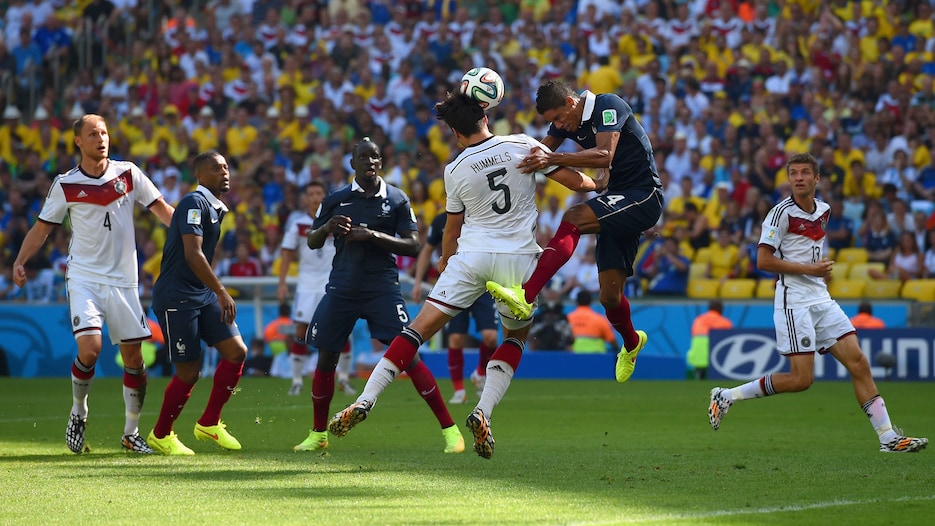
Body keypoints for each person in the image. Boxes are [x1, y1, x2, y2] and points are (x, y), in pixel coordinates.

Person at [327, 93, 603, 459]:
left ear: (456, 132)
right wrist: (600, 180)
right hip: (517, 260)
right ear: (485, 115)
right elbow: (578, 184)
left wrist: (445, 260)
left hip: (471, 257)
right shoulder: (522, 144)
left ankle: (366, 399)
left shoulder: (455, 168)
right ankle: (482, 410)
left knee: (416, 331)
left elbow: (452, 228)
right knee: (515, 337)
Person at [708, 153, 927, 453]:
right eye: (793, 173)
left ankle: (887, 437)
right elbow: (763, 260)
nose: (799, 177)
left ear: (817, 178)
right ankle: (727, 395)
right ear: (788, 179)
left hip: (821, 297)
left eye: (805, 172)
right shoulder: (779, 214)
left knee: (859, 363)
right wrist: (811, 270)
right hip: (793, 301)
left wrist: (815, 273)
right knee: (802, 379)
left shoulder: (824, 210)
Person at [12, 113, 175, 454]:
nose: (101, 138)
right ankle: (78, 411)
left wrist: (191, 230)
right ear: (78, 141)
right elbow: (42, 229)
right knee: (90, 349)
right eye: (92, 133)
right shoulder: (66, 184)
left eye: (104, 132)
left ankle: (131, 433)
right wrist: (20, 260)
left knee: (134, 359)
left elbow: (161, 209)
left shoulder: (128, 173)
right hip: (84, 276)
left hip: (124, 281)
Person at [485, 79, 664, 384]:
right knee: (610, 296)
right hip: (616, 199)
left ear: (570, 103)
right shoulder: (566, 123)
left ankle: (527, 294)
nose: (558, 126)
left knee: (575, 216)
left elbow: (604, 155)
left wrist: (552, 159)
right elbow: (537, 153)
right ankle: (632, 343)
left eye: (557, 118)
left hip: (644, 195)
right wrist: (493, 166)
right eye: (552, 122)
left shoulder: (609, 105)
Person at [293, 138, 464, 454]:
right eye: (364, 157)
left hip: (382, 289)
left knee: (409, 357)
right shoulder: (336, 199)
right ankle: (318, 433)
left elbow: (413, 246)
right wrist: (328, 226)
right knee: (327, 357)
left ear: (381, 163)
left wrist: (373, 235)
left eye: (375, 157)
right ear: (352, 163)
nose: (370, 162)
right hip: (341, 287)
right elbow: (313, 242)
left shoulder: (397, 199)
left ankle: (451, 432)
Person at [147, 150, 249, 455]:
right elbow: (193, 253)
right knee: (189, 372)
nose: (225, 172)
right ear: (200, 176)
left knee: (236, 352)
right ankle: (161, 434)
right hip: (177, 296)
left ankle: (209, 422)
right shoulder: (194, 203)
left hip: (199, 294)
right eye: (217, 168)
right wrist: (220, 290)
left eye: (227, 167)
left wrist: (213, 291)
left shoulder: (216, 207)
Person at [277, 181, 355, 397]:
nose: (314, 197)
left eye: (318, 193)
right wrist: (282, 282)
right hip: (307, 284)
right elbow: (286, 253)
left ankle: (344, 380)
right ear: (305, 198)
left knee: (343, 331)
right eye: (310, 194)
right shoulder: (299, 224)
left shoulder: (338, 221)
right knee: (301, 331)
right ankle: (296, 381)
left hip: (335, 281)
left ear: (325, 196)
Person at [413, 212, 498, 404]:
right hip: (455, 284)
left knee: (490, 337)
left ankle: (479, 373)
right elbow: (427, 249)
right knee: (456, 338)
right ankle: (459, 390)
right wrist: (418, 282)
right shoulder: (441, 220)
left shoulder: (481, 213)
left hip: (483, 282)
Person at [686, 299, 733, 380]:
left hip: (698, 353)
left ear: (709, 308)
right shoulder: (725, 322)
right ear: (721, 309)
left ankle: (699, 374)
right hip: (716, 352)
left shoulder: (698, 319)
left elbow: (694, 334)